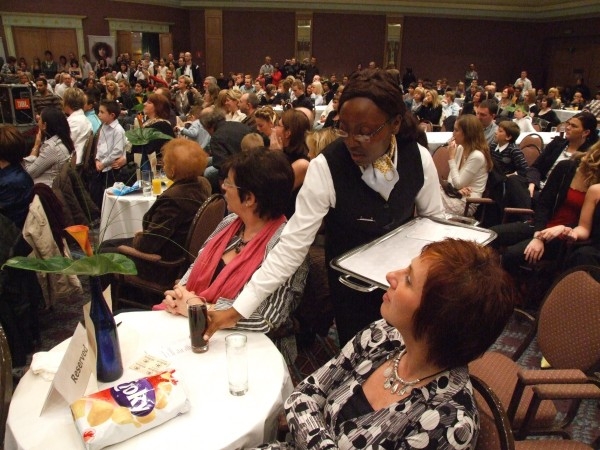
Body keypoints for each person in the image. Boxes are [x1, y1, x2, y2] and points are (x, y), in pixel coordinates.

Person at [202, 69, 444, 346]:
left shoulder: (418, 158)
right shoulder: (326, 167)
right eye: (345, 129)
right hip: (351, 291)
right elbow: (291, 247)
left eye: (365, 133)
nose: (351, 142)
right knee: (359, 355)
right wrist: (238, 310)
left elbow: (433, 225)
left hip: (406, 288)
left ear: (395, 124)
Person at [269, 239, 515, 449]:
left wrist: (309, 428)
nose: (390, 275)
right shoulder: (384, 335)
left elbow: (305, 406)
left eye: (408, 279)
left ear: (435, 320)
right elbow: (302, 395)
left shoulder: (448, 423)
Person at [158, 148, 308, 363]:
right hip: (198, 332)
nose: (223, 187)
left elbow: (267, 319)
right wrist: (178, 295)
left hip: (252, 351)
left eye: (229, 183)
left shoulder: (287, 246)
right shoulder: (230, 223)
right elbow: (196, 265)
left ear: (249, 198)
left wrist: (197, 309)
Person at [101, 139, 210, 282]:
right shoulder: (202, 184)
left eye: (164, 163)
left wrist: (139, 236)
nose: (163, 166)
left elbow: (148, 244)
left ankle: (98, 296)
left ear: (173, 170)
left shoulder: (173, 199)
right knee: (108, 244)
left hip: (164, 266)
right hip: (185, 254)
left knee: (104, 251)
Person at [492, 141, 600, 277]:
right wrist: (539, 235)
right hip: (542, 225)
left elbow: (587, 227)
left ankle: (510, 287)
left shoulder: (596, 189)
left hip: (565, 237)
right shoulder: (566, 168)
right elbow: (544, 204)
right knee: (492, 235)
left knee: (511, 255)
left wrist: (552, 234)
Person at [503, 112, 599, 210]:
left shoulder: (588, 156)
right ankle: (526, 214)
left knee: (517, 196)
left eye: (573, 126)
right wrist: (532, 183)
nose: (568, 128)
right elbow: (536, 167)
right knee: (513, 180)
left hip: (557, 194)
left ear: (586, 132)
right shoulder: (557, 143)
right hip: (538, 186)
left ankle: (525, 213)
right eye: (568, 123)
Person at [441, 115, 492, 217]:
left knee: (428, 195)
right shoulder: (461, 148)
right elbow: (452, 180)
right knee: (427, 189)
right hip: (456, 196)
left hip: (466, 204)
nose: (453, 133)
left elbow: (458, 183)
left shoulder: (477, 156)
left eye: (456, 130)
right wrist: (457, 190)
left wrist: (451, 157)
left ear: (467, 133)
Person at [22, 108, 74, 186]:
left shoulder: (52, 148)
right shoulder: (61, 140)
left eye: (40, 119)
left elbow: (29, 174)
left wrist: (36, 146)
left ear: (44, 125)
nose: (37, 122)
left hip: (45, 188)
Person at [90, 100, 127, 208]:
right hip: (101, 166)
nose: (99, 114)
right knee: (97, 194)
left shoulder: (118, 130)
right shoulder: (103, 126)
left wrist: (103, 163)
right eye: (99, 111)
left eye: (102, 112)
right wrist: (97, 160)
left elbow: (117, 151)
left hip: (111, 168)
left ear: (112, 115)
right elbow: (99, 145)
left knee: (109, 196)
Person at [278, 109, 311, 217]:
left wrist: (275, 155)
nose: (274, 129)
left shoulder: (302, 163)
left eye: (278, 125)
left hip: (288, 219)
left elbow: (274, 190)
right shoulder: (284, 151)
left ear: (287, 133)